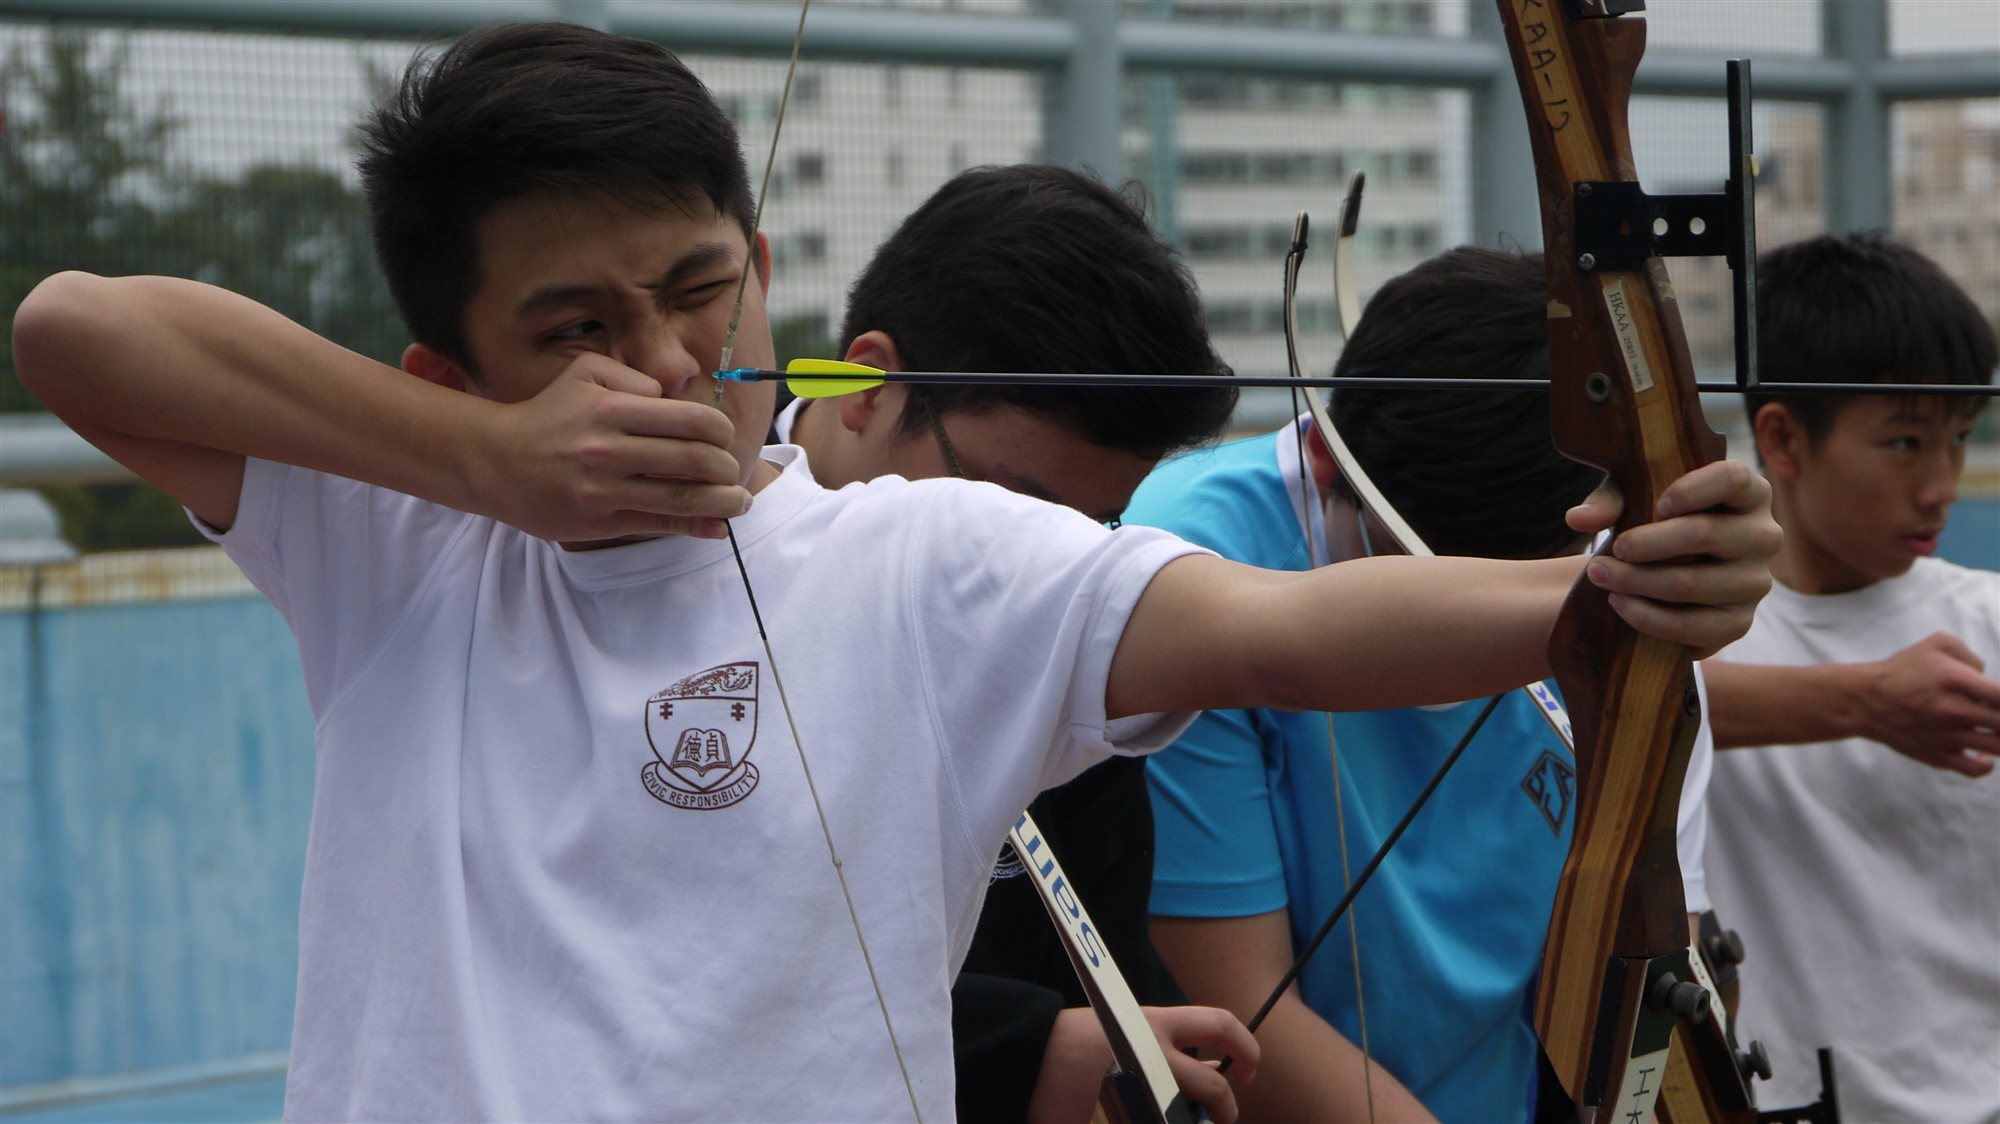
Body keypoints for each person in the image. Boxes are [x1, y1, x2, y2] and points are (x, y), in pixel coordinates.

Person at [12, 23, 1780, 1122]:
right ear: (448, 372)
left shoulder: (918, 555)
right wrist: (490, 465)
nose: (663, 359)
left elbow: (1278, 622)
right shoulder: (404, 536)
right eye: (574, 327)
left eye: (699, 293)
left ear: (762, 261)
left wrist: (1607, 600)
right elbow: (76, 329)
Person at [1125, 246, 1721, 1123]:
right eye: (1430, 576)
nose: (1472, 643)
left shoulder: (1614, 570)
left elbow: (1652, 975)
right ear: (1327, 460)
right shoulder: (1182, 575)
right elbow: (1244, 1013)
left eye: (1532, 583)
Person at [783, 162, 1236, 1123]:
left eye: (1096, 525)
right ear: (868, 387)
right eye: (1017, 506)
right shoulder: (677, 559)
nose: (1051, 559)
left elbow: (1103, 961)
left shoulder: (1070, 604)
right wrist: (1015, 1049)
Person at [1699, 232, 1999, 1121]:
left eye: (1962, 439)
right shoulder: (1692, 631)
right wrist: (1868, 700)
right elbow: (1595, 697)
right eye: (1905, 443)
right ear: (1782, 441)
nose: (1943, 484)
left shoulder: (1987, 618)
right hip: (1792, 1100)